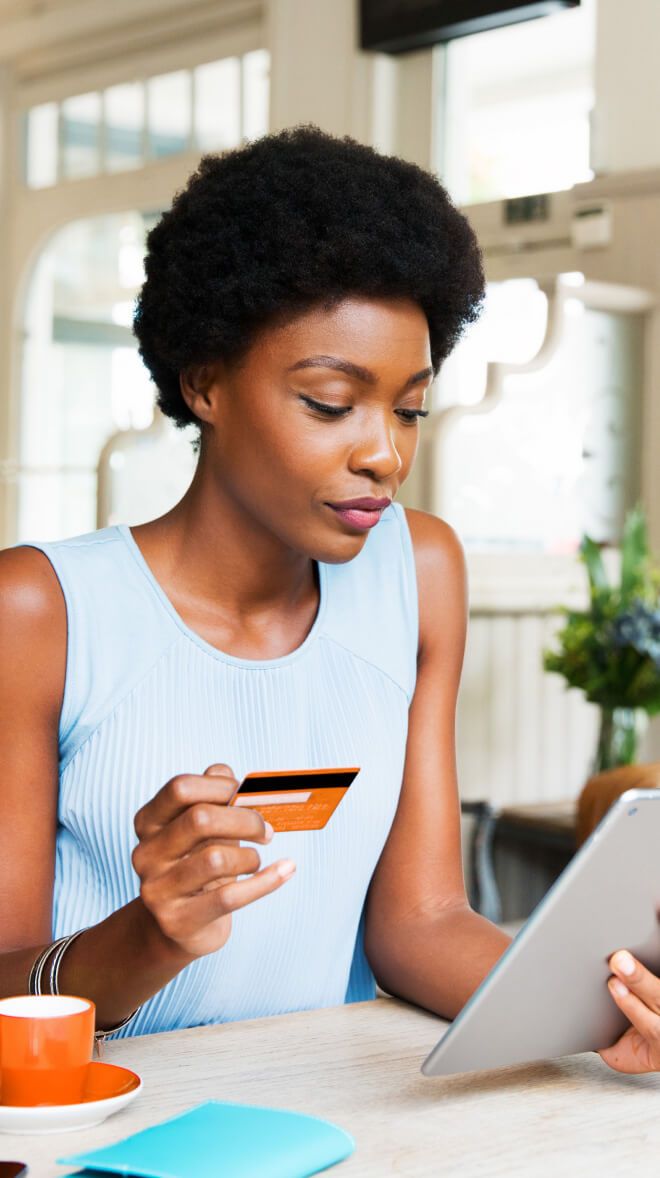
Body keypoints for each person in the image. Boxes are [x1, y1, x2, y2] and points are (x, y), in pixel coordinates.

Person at [0, 127, 656, 1072]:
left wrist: (610, 1011)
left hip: (341, 1119)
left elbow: (421, 921)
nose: (383, 453)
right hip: (111, 1121)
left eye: (409, 408)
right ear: (206, 381)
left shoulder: (419, 571)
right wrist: (152, 935)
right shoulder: (39, 610)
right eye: (327, 401)